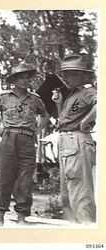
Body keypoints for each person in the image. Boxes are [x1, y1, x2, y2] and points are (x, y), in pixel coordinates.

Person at [0, 63, 49, 226]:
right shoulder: (3, 97)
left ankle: (22, 217)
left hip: (28, 140)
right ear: (14, 80)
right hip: (9, 138)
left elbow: (45, 115)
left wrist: (37, 131)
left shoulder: (35, 99)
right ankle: (0, 216)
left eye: (27, 77)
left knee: (25, 179)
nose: (25, 80)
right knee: (5, 177)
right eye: (21, 77)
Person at [52, 55, 96, 224]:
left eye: (70, 74)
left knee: (80, 193)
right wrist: (58, 103)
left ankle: (87, 229)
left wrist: (87, 121)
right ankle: (74, 232)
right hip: (67, 141)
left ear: (82, 75)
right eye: (64, 74)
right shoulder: (72, 95)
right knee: (67, 194)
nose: (65, 78)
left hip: (76, 140)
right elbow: (65, 120)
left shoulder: (87, 91)